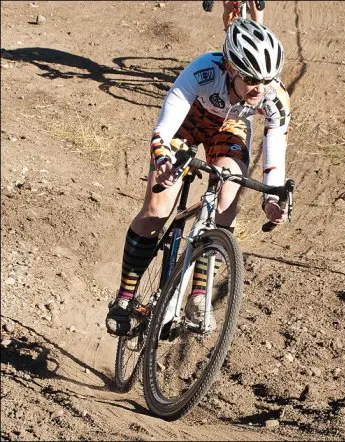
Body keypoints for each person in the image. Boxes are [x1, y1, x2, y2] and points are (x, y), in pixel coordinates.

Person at [105, 18, 290, 336]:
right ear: (231, 68)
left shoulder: (273, 96)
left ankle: (199, 296)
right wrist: (162, 157)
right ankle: (124, 297)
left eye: (268, 78)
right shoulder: (204, 71)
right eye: (250, 77)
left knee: (227, 197)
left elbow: (276, 140)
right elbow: (168, 121)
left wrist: (272, 196)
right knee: (157, 210)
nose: (260, 87)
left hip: (229, 129)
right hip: (188, 120)